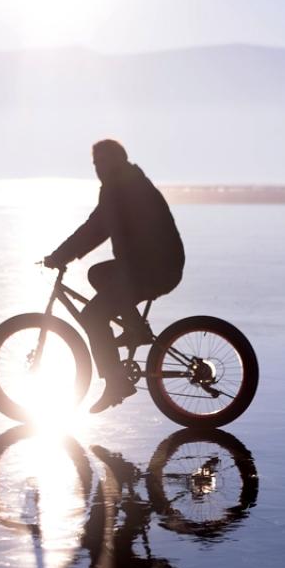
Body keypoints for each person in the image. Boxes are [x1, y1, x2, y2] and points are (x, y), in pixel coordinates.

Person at [43, 139, 185, 413]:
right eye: (95, 163)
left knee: (93, 316)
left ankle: (116, 382)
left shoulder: (120, 188)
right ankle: (135, 328)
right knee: (98, 273)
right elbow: (99, 226)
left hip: (152, 269)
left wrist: (59, 256)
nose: (97, 168)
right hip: (149, 265)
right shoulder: (127, 182)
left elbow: (96, 228)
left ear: (116, 160)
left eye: (101, 162)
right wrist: (64, 254)